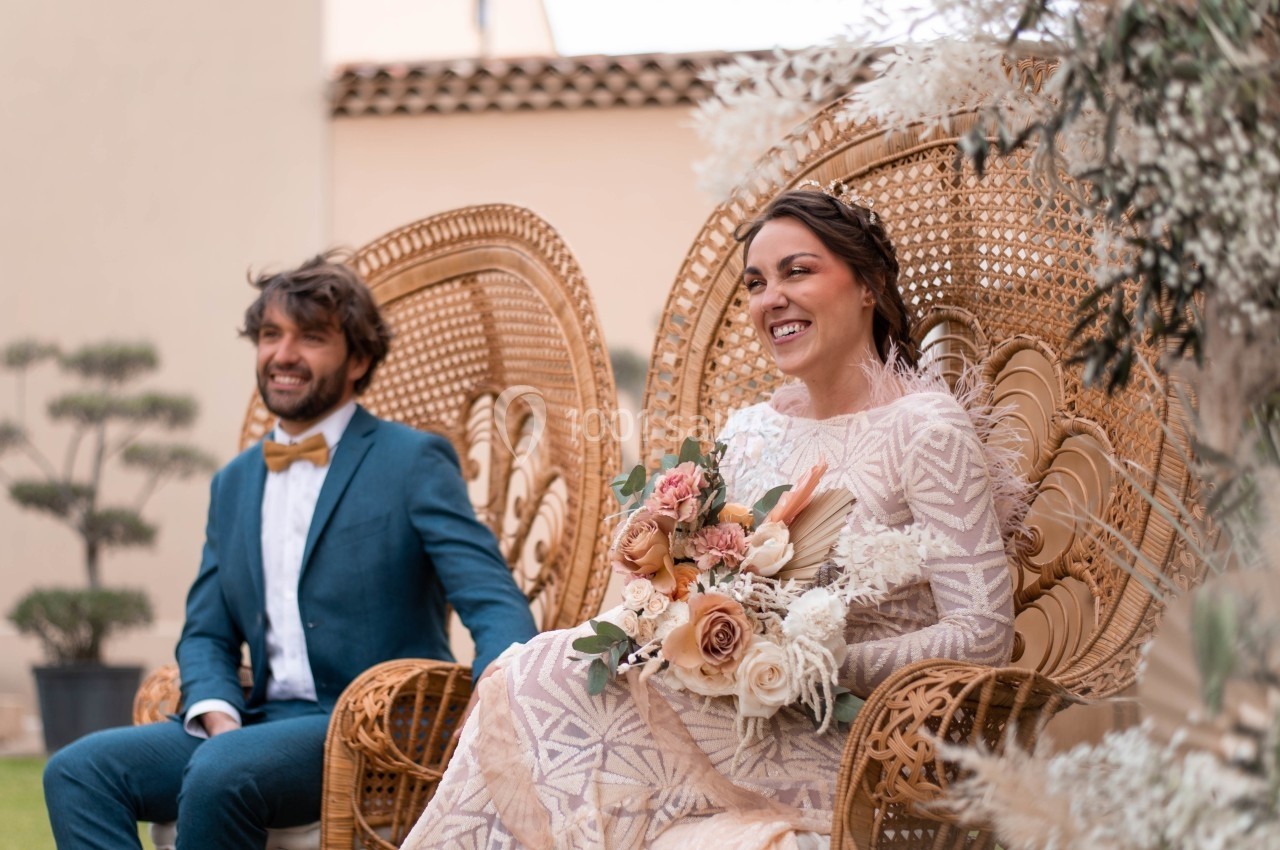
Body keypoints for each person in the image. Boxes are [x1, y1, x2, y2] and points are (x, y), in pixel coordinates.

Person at [402, 187, 1020, 850]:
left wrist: (809, 663)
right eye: (756, 282)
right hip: (715, 715)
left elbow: (982, 635)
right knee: (532, 671)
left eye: (798, 272)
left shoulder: (924, 431)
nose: (769, 298)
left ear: (867, 286)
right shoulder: (750, 432)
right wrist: (674, 627)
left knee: (540, 681)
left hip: (852, 736)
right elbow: (684, 592)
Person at [43, 253, 539, 850]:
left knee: (222, 773)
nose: (283, 354)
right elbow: (205, 632)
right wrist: (217, 711)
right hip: (251, 722)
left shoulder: (412, 461)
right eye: (271, 335)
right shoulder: (234, 482)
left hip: (370, 731)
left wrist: (495, 692)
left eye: (311, 338)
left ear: (358, 359)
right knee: (77, 771)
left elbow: (491, 600)